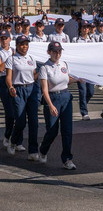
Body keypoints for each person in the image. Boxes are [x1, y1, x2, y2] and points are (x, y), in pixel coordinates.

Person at [38, 41, 79, 170]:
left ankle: (67, 159)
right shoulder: (45, 68)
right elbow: (44, 89)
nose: (57, 54)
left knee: (67, 130)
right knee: (52, 131)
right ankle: (43, 149)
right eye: (55, 51)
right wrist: (50, 105)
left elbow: (67, 80)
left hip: (65, 97)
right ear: (49, 52)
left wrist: (78, 79)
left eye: (59, 51)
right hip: (52, 98)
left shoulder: (64, 64)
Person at [5, 35, 40, 160]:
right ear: (17, 45)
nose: (24, 47)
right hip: (18, 90)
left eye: (26, 44)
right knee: (20, 121)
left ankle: (33, 151)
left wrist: (40, 72)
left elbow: (33, 76)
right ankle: (13, 141)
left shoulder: (31, 58)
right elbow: (8, 77)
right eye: (22, 44)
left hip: (31, 90)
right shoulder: (12, 59)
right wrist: (10, 87)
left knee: (34, 122)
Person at [72, 20, 95, 120]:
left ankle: (83, 102)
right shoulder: (75, 40)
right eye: (83, 27)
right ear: (80, 29)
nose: (85, 29)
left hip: (90, 68)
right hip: (80, 68)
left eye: (87, 27)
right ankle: (84, 112)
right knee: (82, 90)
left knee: (90, 91)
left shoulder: (92, 40)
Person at [0, 30, 17, 149]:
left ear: (10, 40)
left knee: (18, 112)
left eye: (6, 38)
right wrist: (10, 59)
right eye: (2, 38)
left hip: (15, 81)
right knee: (9, 112)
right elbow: (0, 69)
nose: (4, 40)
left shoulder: (15, 51)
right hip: (2, 81)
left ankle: (16, 139)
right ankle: (7, 136)